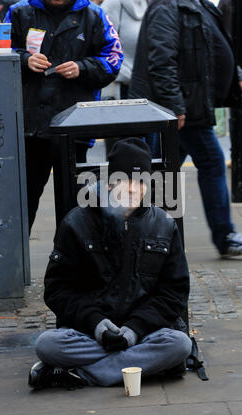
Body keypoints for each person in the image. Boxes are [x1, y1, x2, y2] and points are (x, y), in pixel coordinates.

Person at [28, 137, 192, 390]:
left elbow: (174, 292)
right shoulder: (78, 222)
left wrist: (134, 329)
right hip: (90, 334)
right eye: (125, 180)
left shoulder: (163, 225)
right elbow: (58, 289)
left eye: (140, 182)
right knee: (47, 344)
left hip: (143, 334)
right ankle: (134, 367)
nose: (132, 189)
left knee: (179, 344)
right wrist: (96, 324)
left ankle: (83, 375)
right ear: (110, 181)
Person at [129, 0, 242, 259]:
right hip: (183, 107)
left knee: (163, 172)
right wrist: (176, 106)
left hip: (188, 104)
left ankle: (146, 234)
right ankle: (224, 235)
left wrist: (236, 75)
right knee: (212, 161)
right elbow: (162, 61)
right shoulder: (168, 4)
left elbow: (212, 45)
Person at [4, 0, 124, 233]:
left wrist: (82, 68)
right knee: (21, 204)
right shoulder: (19, 13)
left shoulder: (94, 15)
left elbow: (114, 59)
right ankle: (12, 266)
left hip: (74, 127)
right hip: (29, 126)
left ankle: (71, 268)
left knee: (75, 206)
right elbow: (0, 53)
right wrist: (24, 60)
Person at [101, 0, 148, 101]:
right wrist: (127, 75)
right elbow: (102, 48)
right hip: (120, 89)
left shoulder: (145, 4)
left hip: (143, 86)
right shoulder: (113, 3)